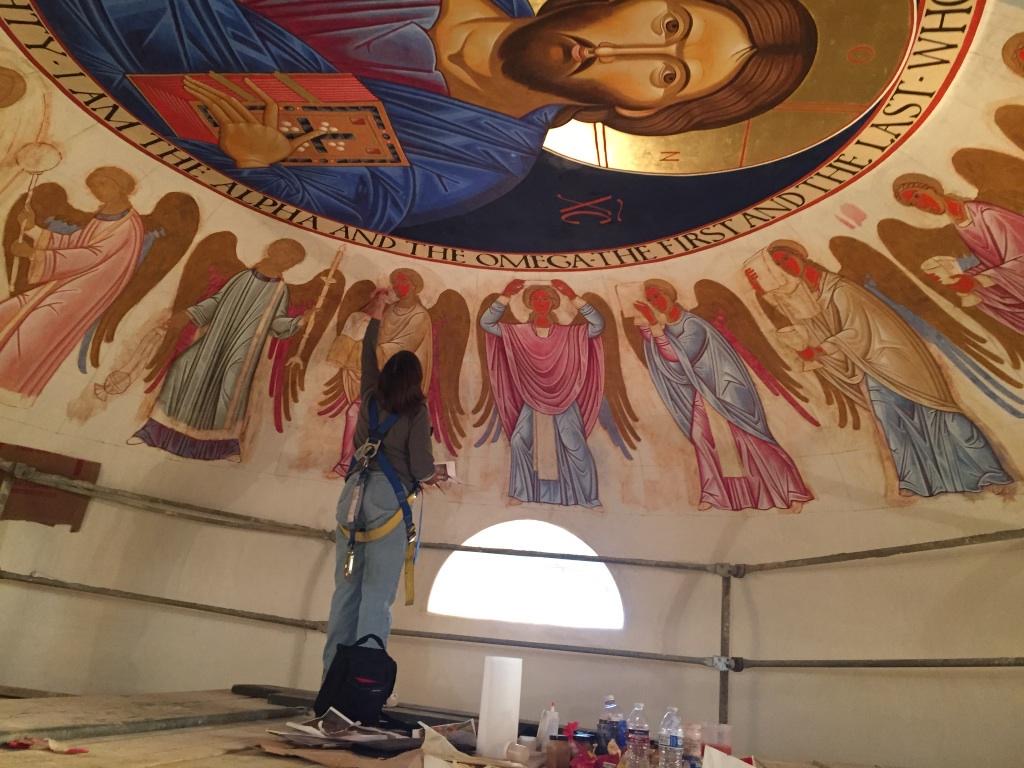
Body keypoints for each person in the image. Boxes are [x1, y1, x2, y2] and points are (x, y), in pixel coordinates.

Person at [38, 0, 818, 230]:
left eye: (668, 75)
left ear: (652, 113)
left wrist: (266, 156)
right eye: (670, 24)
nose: (622, 54)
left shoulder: (477, 161)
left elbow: (358, 200)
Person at [746, 242, 1013, 498]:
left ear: (801, 257)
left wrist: (821, 350)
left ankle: (989, 473)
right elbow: (819, 331)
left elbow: (855, 331)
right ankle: (919, 481)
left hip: (895, 358)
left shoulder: (841, 289)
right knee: (892, 421)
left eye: (786, 258)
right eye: (778, 264)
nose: (786, 266)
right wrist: (806, 346)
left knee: (938, 410)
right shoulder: (813, 298)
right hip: (871, 368)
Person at [324, 288, 438, 672]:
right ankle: (361, 687)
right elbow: (421, 467)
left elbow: (366, 354)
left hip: (352, 495)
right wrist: (435, 475)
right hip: (389, 501)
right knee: (376, 596)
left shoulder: (371, 394)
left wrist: (376, 316)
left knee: (345, 592)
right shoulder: (416, 410)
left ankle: (331, 684)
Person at [634, 279, 812, 511]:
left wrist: (654, 328)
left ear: (670, 295)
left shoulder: (693, 325)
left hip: (727, 390)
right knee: (702, 439)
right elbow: (667, 360)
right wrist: (650, 331)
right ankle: (717, 494)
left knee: (749, 439)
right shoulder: (667, 328)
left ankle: (790, 491)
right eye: (650, 300)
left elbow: (678, 356)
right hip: (704, 392)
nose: (655, 302)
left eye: (657, 296)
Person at [132, 239, 309, 461]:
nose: (287, 261)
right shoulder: (243, 277)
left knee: (230, 388)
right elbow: (216, 302)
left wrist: (298, 323)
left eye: (292, 260)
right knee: (184, 369)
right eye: (286, 254)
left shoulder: (280, 291)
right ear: (272, 250)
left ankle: (220, 446)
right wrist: (188, 314)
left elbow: (276, 323)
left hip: (243, 350)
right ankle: (156, 432)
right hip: (214, 340)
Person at [0, 169, 143, 401]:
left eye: (102, 183)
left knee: (31, 331)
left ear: (120, 186)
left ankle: (8, 389)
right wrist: (33, 229)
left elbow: (91, 256)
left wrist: (35, 255)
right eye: (93, 185)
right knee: (10, 310)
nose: (97, 190)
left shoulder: (128, 225)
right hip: (69, 283)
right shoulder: (105, 214)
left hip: (83, 294)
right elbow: (75, 242)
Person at [480, 279, 604, 508]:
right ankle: (522, 492)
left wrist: (573, 295)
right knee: (518, 441)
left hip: (565, 397)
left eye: (545, 298)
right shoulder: (519, 333)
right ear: (529, 303)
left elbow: (597, 325)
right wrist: (505, 295)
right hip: (533, 398)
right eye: (536, 298)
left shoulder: (568, 334)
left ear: (554, 303)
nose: (540, 302)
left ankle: (589, 497)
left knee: (574, 444)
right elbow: (487, 323)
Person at [894, 174, 1024, 335]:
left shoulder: (987, 215)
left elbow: (1019, 260)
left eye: (918, 195)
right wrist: (960, 278)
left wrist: (978, 281)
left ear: (933, 189)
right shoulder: (960, 224)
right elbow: (993, 262)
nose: (922, 205)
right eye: (914, 204)